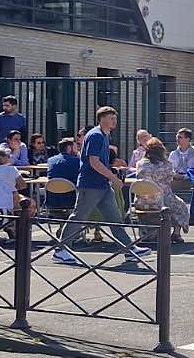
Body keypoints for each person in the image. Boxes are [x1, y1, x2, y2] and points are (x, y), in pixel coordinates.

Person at [52, 107, 151, 265]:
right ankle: (61, 250)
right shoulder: (96, 135)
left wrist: (110, 177)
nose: (114, 121)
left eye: (115, 118)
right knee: (79, 217)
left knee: (115, 218)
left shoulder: (104, 135)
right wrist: (113, 177)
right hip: (90, 185)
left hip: (102, 185)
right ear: (102, 118)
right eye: (111, 117)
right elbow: (94, 161)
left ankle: (129, 250)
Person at [134, 137, 189, 243]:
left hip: (142, 201)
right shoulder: (166, 165)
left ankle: (148, 232)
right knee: (181, 206)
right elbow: (169, 181)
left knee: (152, 205)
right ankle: (176, 233)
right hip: (160, 201)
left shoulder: (140, 164)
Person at [0, 148, 30, 236]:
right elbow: (23, 185)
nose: (10, 157)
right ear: (2, 158)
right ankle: (17, 228)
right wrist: (12, 188)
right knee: (26, 200)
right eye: (8, 156)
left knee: (13, 194)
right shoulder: (12, 169)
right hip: (8, 201)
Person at [170, 128, 194, 225]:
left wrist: (183, 177)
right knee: (162, 184)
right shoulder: (174, 154)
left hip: (189, 179)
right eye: (177, 137)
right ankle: (165, 213)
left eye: (180, 137)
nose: (177, 139)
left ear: (188, 139)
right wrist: (174, 174)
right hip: (175, 178)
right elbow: (169, 168)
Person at [45, 138, 81, 210]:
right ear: (69, 148)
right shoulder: (77, 161)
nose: (77, 150)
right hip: (70, 197)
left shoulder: (51, 160)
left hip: (53, 198)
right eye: (75, 147)